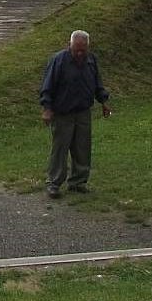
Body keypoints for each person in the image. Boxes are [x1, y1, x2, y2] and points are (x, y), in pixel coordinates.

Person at [38, 29, 111, 198]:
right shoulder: (58, 61)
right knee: (60, 149)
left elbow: (97, 83)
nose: (80, 53)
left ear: (88, 48)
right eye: (77, 49)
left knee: (82, 149)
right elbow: (47, 86)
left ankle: (78, 182)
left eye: (83, 49)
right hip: (63, 113)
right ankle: (54, 183)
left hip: (83, 112)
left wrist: (104, 102)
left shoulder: (91, 60)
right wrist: (47, 109)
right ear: (69, 45)